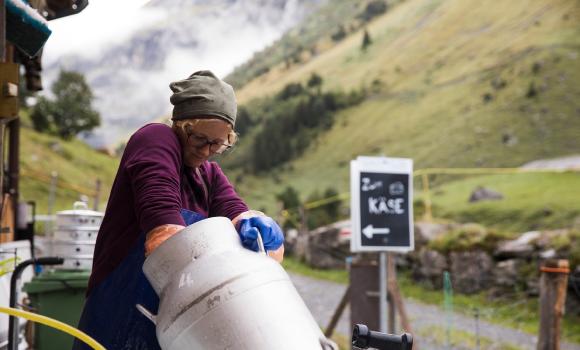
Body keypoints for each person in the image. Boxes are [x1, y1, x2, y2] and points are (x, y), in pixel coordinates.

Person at [73, 70, 285, 350]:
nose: (207, 151)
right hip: (119, 307)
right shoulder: (156, 139)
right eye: (200, 140)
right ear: (182, 125)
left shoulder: (208, 175)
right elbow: (163, 227)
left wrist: (255, 224)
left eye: (218, 144)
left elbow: (234, 209)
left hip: (170, 320)